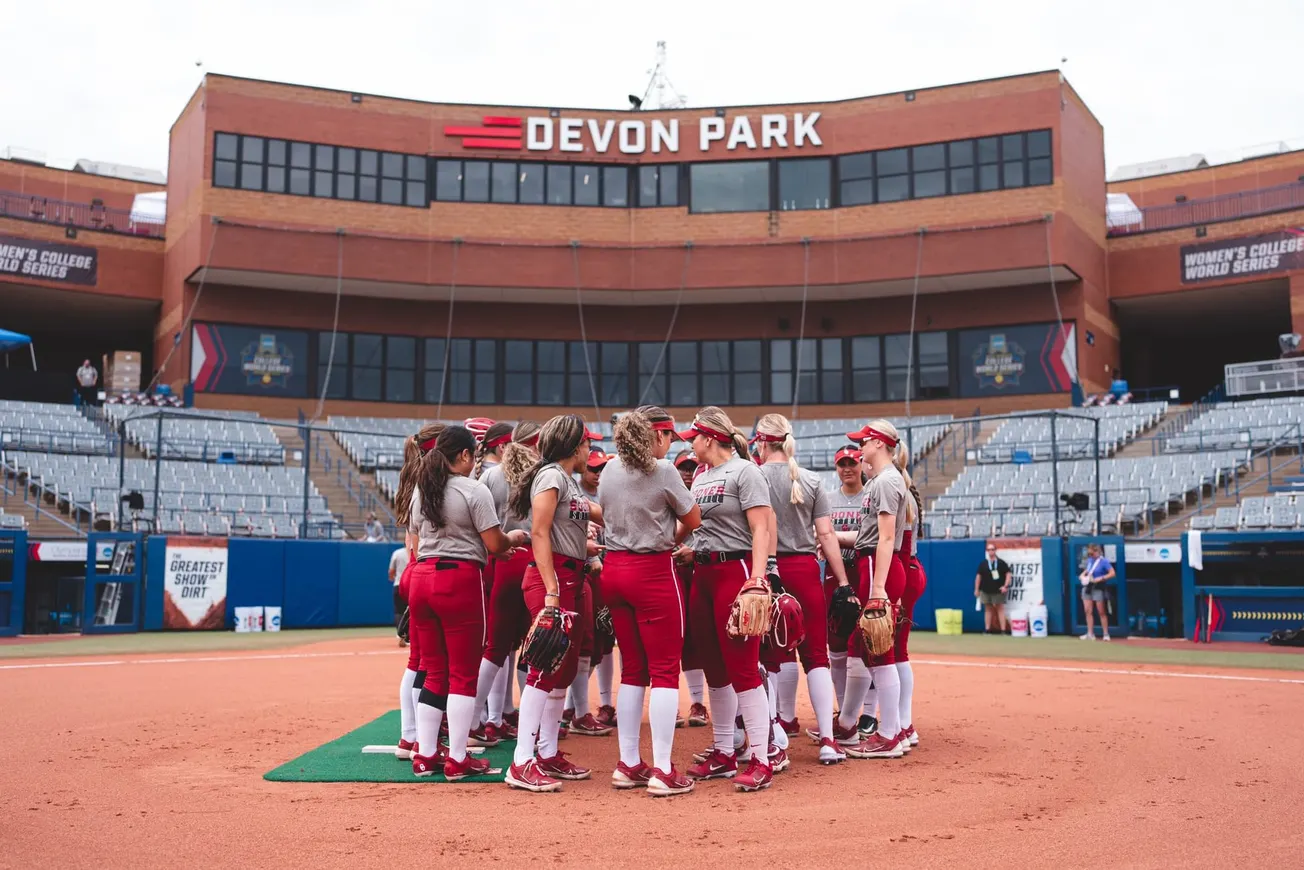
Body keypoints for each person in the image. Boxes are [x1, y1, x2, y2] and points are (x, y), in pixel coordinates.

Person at [406, 425, 529, 779]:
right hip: (458, 580)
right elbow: (495, 543)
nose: (475, 461)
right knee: (462, 674)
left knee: (433, 672)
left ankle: (425, 754)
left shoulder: (422, 489)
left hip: (422, 578)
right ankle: (458, 757)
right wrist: (513, 539)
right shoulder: (473, 489)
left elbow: (417, 536)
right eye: (472, 455)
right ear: (463, 455)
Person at [593, 406, 702, 795]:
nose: (670, 443)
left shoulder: (608, 470)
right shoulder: (664, 471)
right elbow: (694, 519)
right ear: (656, 435)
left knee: (633, 670)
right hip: (652, 571)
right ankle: (662, 769)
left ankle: (628, 764)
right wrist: (667, 535)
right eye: (669, 436)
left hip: (615, 570)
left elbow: (605, 514)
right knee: (665, 670)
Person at [677, 406, 776, 792]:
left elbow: (761, 528)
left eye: (695, 439)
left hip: (734, 572)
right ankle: (723, 752)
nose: (692, 446)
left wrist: (758, 577)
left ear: (710, 438)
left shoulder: (746, 471)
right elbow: (694, 527)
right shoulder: (700, 476)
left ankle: (761, 758)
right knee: (712, 666)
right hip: (703, 573)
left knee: (743, 667)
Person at [505, 414, 601, 793]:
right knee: (544, 668)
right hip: (553, 577)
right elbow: (539, 533)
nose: (590, 449)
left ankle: (545, 751)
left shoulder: (569, 481)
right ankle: (521, 762)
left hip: (573, 573)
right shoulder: (550, 476)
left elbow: (590, 515)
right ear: (574, 446)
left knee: (561, 671)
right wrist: (552, 591)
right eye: (587, 443)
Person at [752, 413, 851, 766]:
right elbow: (826, 536)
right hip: (807, 570)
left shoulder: (755, 477)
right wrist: (843, 582)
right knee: (816, 657)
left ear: (762, 442)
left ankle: (777, 728)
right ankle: (827, 739)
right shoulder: (811, 480)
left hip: (769, 570)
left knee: (771, 657)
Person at [834, 419, 911, 760]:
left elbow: (887, 538)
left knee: (881, 652)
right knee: (860, 645)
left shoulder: (886, 481)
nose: (860, 448)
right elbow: (870, 535)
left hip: (876, 568)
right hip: (871, 564)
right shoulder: (882, 481)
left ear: (879, 443)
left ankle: (890, 734)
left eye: (864, 442)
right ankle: (850, 722)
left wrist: (878, 586)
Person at [469, 420, 542, 746]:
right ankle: (532, 726)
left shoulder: (492, 475)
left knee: (496, 648)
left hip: (501, 561)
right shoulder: (541, 473)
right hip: (531, 558)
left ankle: (475, 721)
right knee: (533, 648)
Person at [391, 422, 444, 760]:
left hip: (416, 569)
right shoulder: (428, 481)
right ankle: (412, 737)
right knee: (425, 662)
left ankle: (411, 736)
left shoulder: (415, 477)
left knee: (419, 660)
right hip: (426, 568)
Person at [568, 447, 617, 737]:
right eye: (593, 469)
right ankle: (576, 707)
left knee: (604, 638)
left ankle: (599, 704)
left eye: (602, 470)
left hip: (609, 568)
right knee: (584, 639)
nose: (597, 475)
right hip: (587, 570)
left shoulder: (609, 492)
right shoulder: (573, 490)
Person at [825, 445, 865, 726]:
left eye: (852, 462)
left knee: (867, 642)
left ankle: (868, 713)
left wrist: (836, 538)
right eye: (842, 464)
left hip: (862, 572)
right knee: (836, 645)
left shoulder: (870, 496)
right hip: (834, 574)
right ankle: (843, 710)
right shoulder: (828, 500)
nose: (847, 468)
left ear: (862, 464)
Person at [894, 445, 926, 751]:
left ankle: (903, 726)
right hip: (911, 569)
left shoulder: (897, 489)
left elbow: (901, 547)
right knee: (896, 651)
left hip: (905, 569)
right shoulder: (906, 486)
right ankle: (904, 725)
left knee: (894, 652)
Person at [1080, 543, 1116, 641]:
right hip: (1088, 587)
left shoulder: (1104, 561)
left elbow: (1112, 573)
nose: (1090, 556)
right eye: (1089, 554)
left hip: (1098, 587)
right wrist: (1082, 575)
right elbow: (1087, 571)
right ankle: (1090, 634)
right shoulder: (1090, 561)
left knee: (1101, 611)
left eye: (1092, 554)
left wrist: (1101, 578)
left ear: (1097, 552)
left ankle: (1106, 634)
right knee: (1088, 611)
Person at [974, 543, 1012, 634]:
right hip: (985, 590)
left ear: (995, 550)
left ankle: (1003, 630)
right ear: (987, 551)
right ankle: (988, 629)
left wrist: (1005, 586)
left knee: (1000, 608)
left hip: (998, 590)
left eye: (992, 549)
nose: (990, 551)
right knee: (988, 609)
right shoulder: (983, 564)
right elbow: (978, 577)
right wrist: (976, 589)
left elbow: (1008, 574)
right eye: (989, 550)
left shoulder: (1001, 563)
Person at [388, 543, 411, 647]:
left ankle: (400, 634)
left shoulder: (397, 553)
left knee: (399, 611)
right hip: (413, 584)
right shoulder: (417, 552)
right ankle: (410, 636)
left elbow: (391, 571)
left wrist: (393, 577)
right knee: (412, 611)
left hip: (399, 584)